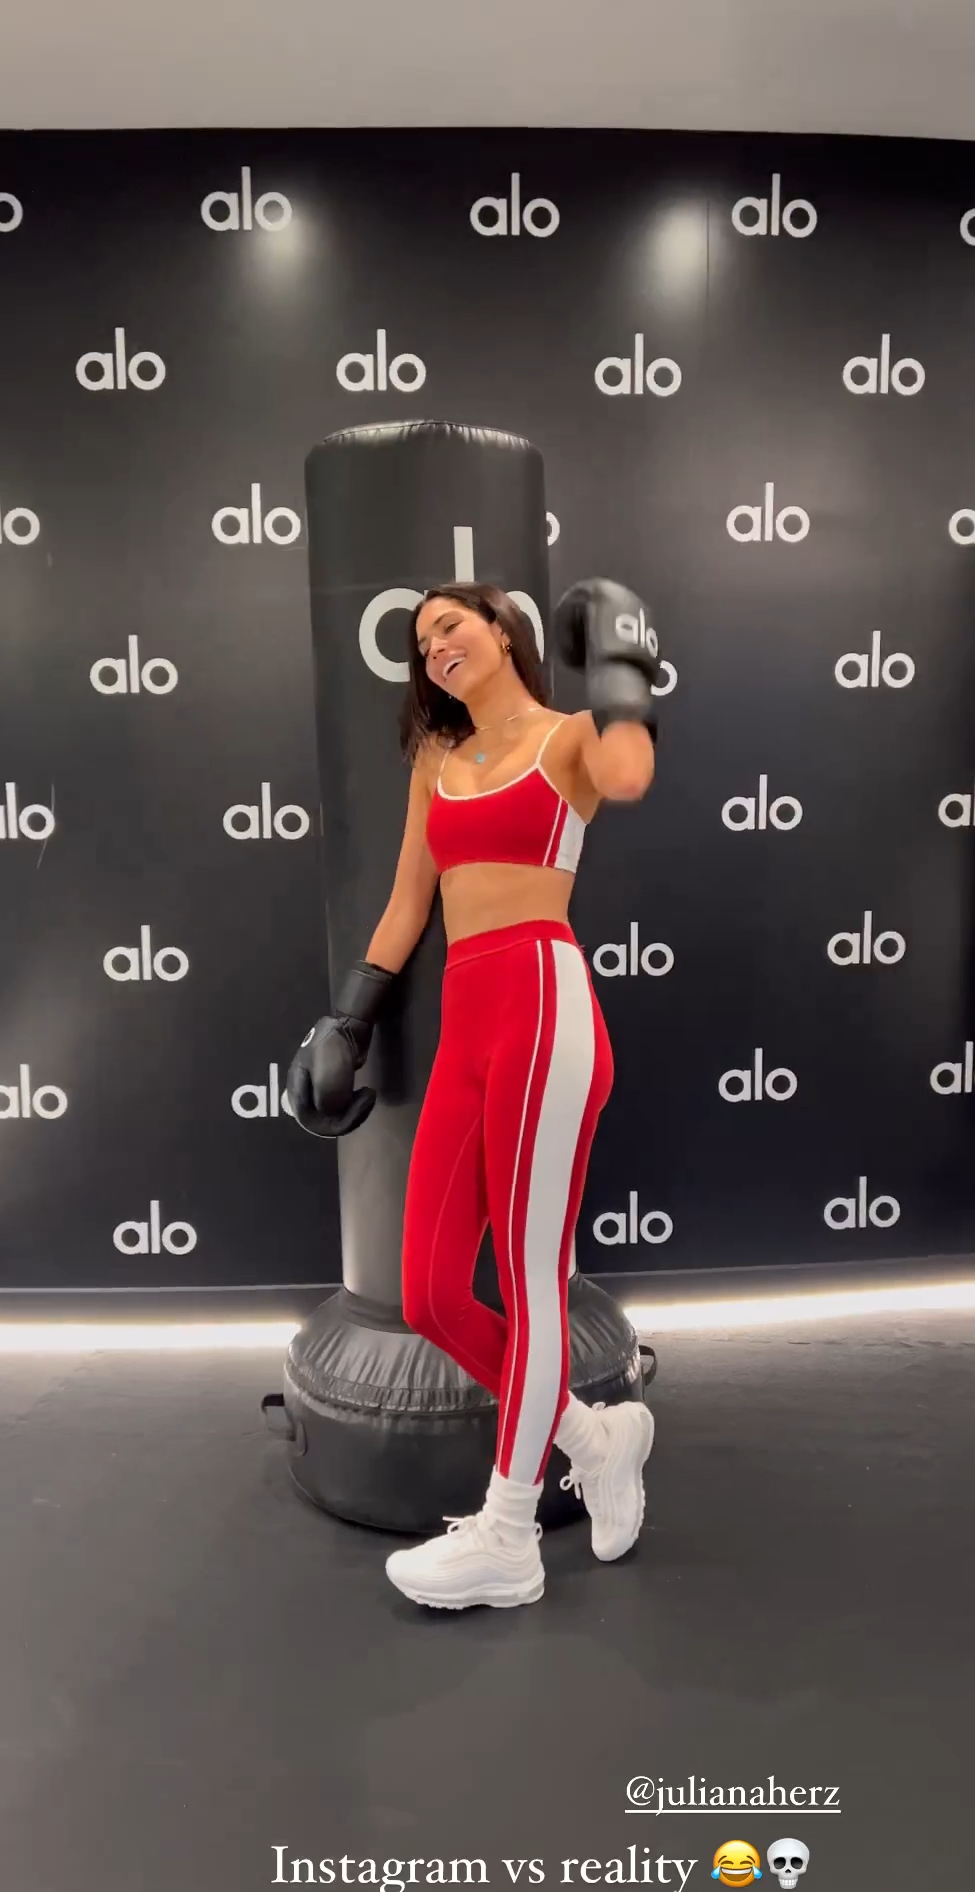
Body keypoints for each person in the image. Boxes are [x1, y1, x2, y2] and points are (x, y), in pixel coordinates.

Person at [288, 577, 662, 1610]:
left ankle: (508, 1534)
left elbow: (628, 773)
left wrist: (624, 671)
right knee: (431, 1295)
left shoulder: (571, 738)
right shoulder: (437, 761)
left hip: (544, 1002)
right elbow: (409, 901)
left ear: (502, 631)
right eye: (420, 642)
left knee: (532, 1282)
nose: (435, 647)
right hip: (467, 1022)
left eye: (449, 625)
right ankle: (596, 1438)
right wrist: (347, 1021)